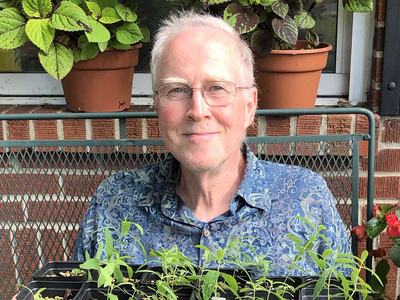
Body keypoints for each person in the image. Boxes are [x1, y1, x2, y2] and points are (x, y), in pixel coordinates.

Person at [73, 11, 351, 276]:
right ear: (157, 106)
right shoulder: (115, 202)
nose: (197, 110)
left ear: (249, 106)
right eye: (177, 90)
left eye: (217, 88)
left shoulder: (305, 199)